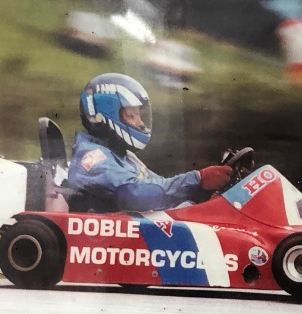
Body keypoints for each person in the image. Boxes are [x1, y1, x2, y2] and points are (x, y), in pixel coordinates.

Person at [67, 73, 232, 212]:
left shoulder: (124, 157)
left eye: (138, 115)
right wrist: (198, 178)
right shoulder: (93, 156)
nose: (140, 123)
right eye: (131, 115)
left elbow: (164, 191)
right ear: (106, 114)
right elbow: (134, 195)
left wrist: (204, 191)